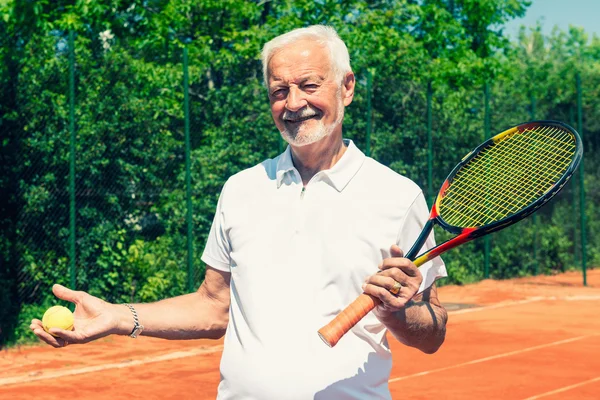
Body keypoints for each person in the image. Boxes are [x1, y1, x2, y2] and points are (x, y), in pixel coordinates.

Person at [31, 25, 448, 399]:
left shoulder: (397, 195)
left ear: (346, 87)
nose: (294, 102)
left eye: (309, 85)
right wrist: (118, 316)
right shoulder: (241, 190)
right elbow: (214, 306)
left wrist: (396, 312)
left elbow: (433, 330)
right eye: (279, 91)